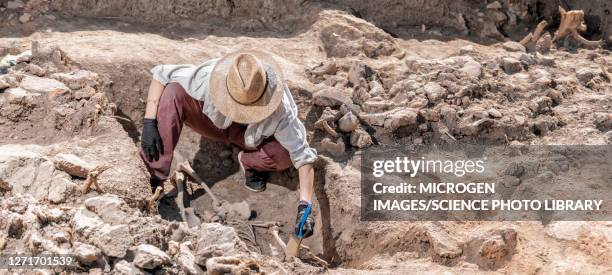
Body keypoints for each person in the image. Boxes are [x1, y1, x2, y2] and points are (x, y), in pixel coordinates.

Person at [139, 50, 316, 238]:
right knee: (174, 92)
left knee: (285, 154)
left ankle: (249, 162)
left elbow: (302, 155)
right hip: (210, 124)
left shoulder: (279, 106)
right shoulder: (208, 77)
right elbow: (161, 75)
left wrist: (305, 207)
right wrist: (149, 121)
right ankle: (153, 178)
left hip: (251, 138)